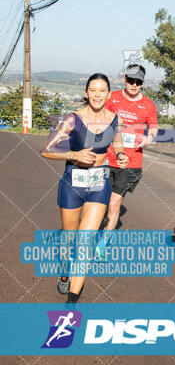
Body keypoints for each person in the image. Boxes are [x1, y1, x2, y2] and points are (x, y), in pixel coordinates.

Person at [41, 73, 128, 303]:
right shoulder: (72, 119)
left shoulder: (114, 119)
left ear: (108, 94)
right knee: (69, 240)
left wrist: (120, 154)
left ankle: (71, 304)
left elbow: (116, 140)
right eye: (93, 90)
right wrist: (74, 154)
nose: (97, 95)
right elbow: (47, 149)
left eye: (102, 91)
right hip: (72, 183)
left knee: (85, 243)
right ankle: (64, 272)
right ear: (86, 93)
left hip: (99, 184)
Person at [103, 63, 158, 232]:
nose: (134, 85)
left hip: (130, 163)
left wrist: (150, 137)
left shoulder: (148, 105)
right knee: (101, 203)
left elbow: (154, 128)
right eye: (131, 80)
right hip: (106, 158)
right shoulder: (112, 98)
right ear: (124, 79)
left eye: (138, 82)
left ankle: (102, 245)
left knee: (113, 203)